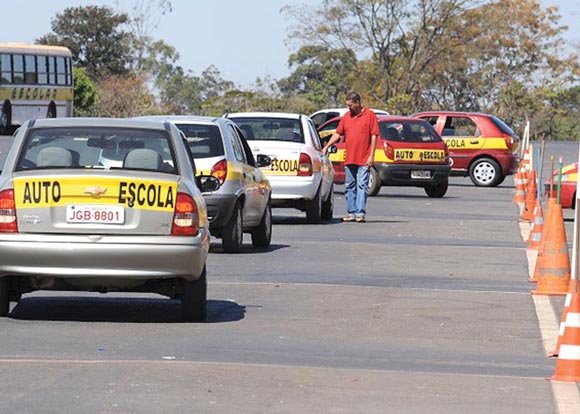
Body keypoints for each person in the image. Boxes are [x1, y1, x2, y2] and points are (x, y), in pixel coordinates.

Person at [321, 92, 379, 223]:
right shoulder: (347, 117)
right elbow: (337, 134)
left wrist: (372, 155)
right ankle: (351, 212)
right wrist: (327, 146)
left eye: (351, 105)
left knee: (362, 185)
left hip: (364, 159)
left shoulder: (369, 115)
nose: (349, 108)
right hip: (350, 158)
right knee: (350, 186)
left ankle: (360, 213)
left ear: (358, 103)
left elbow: (374, 135)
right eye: (347, 105)